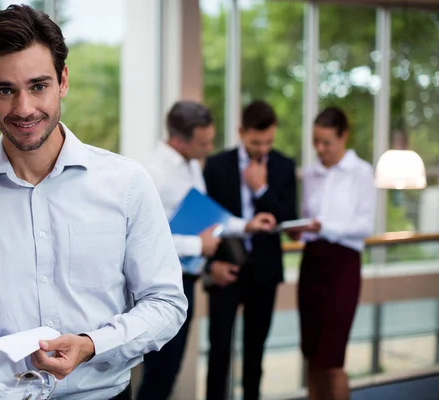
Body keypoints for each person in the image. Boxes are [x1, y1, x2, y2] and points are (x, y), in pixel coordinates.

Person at [0, 5, 188, 400]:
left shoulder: (127, 184)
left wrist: (92, 344)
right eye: (6, 90)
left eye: (38, 86)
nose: (23, 109)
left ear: (63, 81)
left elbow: (165, 303)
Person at [137, 101, 276, 400]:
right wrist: (198, 245)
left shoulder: (191, 165)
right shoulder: (153, 174)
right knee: (160, 372)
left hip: (186, 280)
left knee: (171, 368)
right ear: (179, 140)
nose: (210, 147)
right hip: (160, 284)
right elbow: (142, 239)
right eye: (204, 142)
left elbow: (212, 219)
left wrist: (246, 226)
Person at [203, 100, 297, 400]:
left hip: (265, 273)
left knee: (256, 353)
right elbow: (205, 222)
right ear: (241, 132)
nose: (263, 148)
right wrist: (210, 267)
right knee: (219, 353)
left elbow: (288, 220)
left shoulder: (284, 165)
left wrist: (261, 190)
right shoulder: (216, 166)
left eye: (269, 141)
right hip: (224, 271)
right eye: (256, 142)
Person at [294, 107, 376, 400]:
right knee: (313, 357)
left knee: (332, 361)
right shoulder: (311, 173)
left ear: (344, 137)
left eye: (327, 142)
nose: (320, 148)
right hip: (312, 263)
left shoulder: (362, 172)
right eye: (316, 141)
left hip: (343, 267)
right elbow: (306, 218)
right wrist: (301, 229)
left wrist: (323, 226)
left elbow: (365, 225)